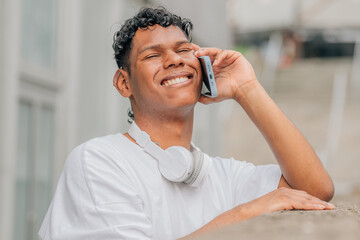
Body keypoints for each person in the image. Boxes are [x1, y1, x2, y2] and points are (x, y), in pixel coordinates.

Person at [39, 7, 334, 240]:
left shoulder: (224, 176)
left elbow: (316, 190)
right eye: (153, 55)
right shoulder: (97, 161)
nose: (174, 60)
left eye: (183, 50)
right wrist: (248, 211)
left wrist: (247, 89)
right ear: (124, 83)